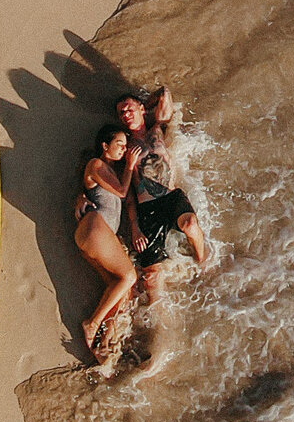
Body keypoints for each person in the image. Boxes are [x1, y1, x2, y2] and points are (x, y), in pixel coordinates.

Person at [115, 85, 209, 273]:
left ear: (141, 109)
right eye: (121, 113)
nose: (126, 114)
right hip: (147, 208)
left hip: (171, 197)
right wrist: (134, 226)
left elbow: (164, 93)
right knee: (151, 274)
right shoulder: (124, 145)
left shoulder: (157, 130)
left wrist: (144, 106)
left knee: (190, 224)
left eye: (129, 109)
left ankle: (203, 262)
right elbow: (127, 190)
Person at [71, 125, 138, 358]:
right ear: (104, 146)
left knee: (121, 291)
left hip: (97, 237)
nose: (124, 149)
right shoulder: (96, 164)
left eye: (125, 146)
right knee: (129, 276)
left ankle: (105, 344)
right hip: (95, 228)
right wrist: (130, 165)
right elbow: (121, 191)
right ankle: (92, 324)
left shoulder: (108, 171)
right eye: (119, 144)